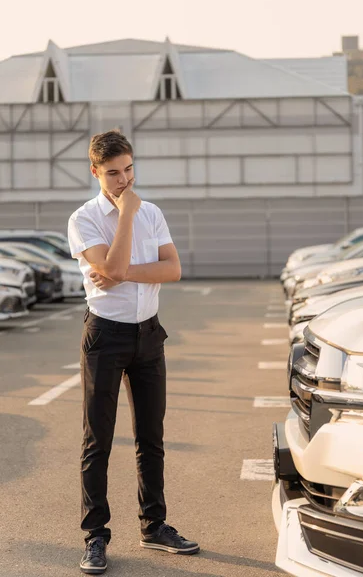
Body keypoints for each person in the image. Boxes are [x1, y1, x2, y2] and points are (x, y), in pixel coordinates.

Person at [68, 130, 199, 575]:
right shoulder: (84, 219)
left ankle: (154, 525)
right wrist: (124, 214)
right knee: (97, 440)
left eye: (128, 170)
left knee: (151, 437)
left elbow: (173, 269)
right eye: (112, 174)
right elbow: (115, 264)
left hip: (148, 334)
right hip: (105, 335)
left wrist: (120, 273)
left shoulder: (154, 212)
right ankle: (95, 536)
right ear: (94, 172)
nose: (124, 180)